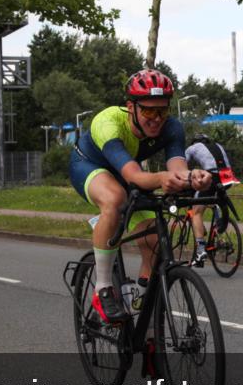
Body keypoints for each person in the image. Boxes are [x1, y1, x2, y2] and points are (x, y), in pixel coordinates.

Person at [69, 70, 213, 324]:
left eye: (162, 111)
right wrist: (162, 178)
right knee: (115, 199)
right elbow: (134, 176)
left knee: (156, 241)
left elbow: (178, 168)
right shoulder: (109, 123)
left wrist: (193, 177)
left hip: (127, 174)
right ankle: (103, 289)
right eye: (148, 111)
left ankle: (142, 311)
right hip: (90, 166)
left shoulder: (172, 127)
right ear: (131, 107)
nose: (156, 119)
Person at [184, 134, 240, 263]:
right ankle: (218, 230)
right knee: (214, 199)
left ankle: (200, 250)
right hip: (228, 176)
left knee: (196, 213)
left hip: (213, 175)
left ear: (194, 142)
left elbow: (182, 167)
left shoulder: (192, 148)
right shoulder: (218, 145)